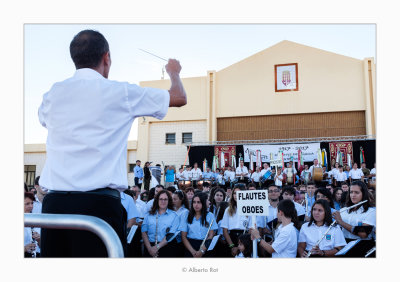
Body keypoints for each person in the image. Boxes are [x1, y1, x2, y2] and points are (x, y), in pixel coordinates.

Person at [37, 30, 187, 257]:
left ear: (74, 58)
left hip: (55, 206)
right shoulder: (121, 92)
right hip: (98, 206)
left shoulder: (52, 94)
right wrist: (174, 72)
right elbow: (179, 97)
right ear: (106, 58)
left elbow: (45, 120)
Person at [141, 190, 180, 257]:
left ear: (168, 201)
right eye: (161, 199)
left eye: (165, 199)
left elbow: (171, 234)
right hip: (149, 247)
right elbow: (144, 232)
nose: (163, 201)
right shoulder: (148, 215)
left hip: (167, 248)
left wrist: (156, 247)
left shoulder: (174, 216)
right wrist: (150, 249)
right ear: (157, 200)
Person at [180, 192, 218, 257]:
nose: (196, 205)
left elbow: (211, 235)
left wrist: (202, 251)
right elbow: (183, 236)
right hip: (190, 245)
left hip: (205, 245)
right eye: (194, 202)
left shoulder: (210, 215)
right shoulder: (186, 215)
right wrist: (192, 251)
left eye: (199, 202)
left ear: (203, 203)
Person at [220, 185, 250, 257]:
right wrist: (232, 246)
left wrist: (242, 245)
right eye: (234, 193)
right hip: (231, 238)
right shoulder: (228, 210)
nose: (236, 196)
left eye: (239, 193)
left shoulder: (249, 209)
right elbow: (225, 230)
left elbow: (251, 229)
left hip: (245, 239)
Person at [172, 190, 190, 257]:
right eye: (172, 199)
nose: (173, 201)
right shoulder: (172, 209)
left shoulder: (185, 212)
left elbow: (182, 228)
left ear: (181, 199)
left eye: (175, 199)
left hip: (178, 241)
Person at [24, 192, 41, 258]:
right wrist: (25, 248)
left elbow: (43, 247)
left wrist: (39, 240)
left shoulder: (35, 219)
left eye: (32, 203)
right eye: (27, 204)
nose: (31, 206)